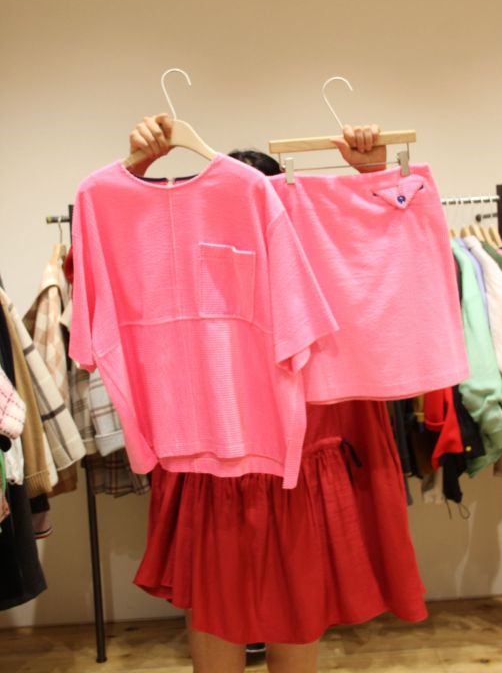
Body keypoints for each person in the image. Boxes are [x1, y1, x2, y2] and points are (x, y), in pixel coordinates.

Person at [125, 116, 425, 673]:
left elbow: (387, 258)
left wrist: (371, 175)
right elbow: (116, 260)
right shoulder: (186, 257)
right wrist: (135, 172)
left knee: (295, 606)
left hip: (304, 452)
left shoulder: (316, 257)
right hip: (218, 456)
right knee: (220, 609)